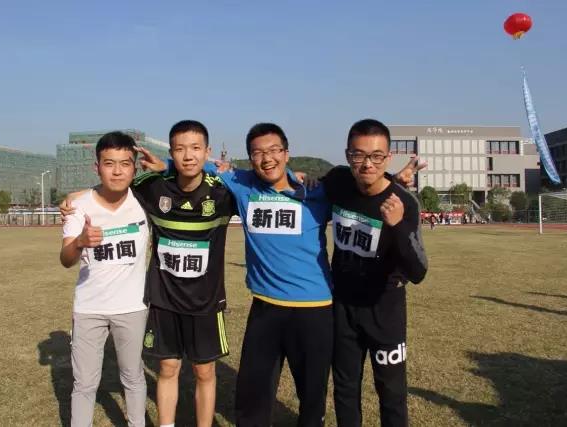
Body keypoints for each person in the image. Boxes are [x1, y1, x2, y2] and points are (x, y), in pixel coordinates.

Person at [143, 122, 427, 426]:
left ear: (287, 154)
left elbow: (365, 187)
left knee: (313, 400)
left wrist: (394, 182)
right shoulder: (242, 184)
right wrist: (167, 165)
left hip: (315, 310)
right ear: (250, 158)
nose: (267, 158)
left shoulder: (317, 191)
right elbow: (198, 164)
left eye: (275, 150)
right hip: (265, 307)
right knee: (252, 399)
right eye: (258, 153)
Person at [63, 121, 235, 427]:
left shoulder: (223, 192)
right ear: (171, 152)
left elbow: (257, 185)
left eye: (196, 148)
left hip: (205, 302)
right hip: (164, 300)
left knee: (204, 371)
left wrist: (293, 177)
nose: (188, 155)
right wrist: (74, 199)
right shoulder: (153, 188)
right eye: (179, 149)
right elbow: (113, 186)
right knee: (167, 368)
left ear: (207, 151)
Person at [320, 119, 428, 427]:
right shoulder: (338, 182)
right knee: (345, 388)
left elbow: (418, 271)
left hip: (385, 310)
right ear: (347, 155)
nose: (367, 163)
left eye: (377, 156)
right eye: (358, 155)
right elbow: (312, 187)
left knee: (391, 393)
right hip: (343, 307)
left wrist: (397, 226)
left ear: (388, 157)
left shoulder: (403, 203)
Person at [60, 131, 149, 427]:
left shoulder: (144, 202)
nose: (117, 171)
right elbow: (66, 259)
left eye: (125, 163)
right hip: (89, 308)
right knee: (84, 383)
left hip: (132, 307)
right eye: (109, 163)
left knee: (133, 377)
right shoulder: (79, 206)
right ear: (96, 167)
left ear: (134, 168)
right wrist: (80, 241)